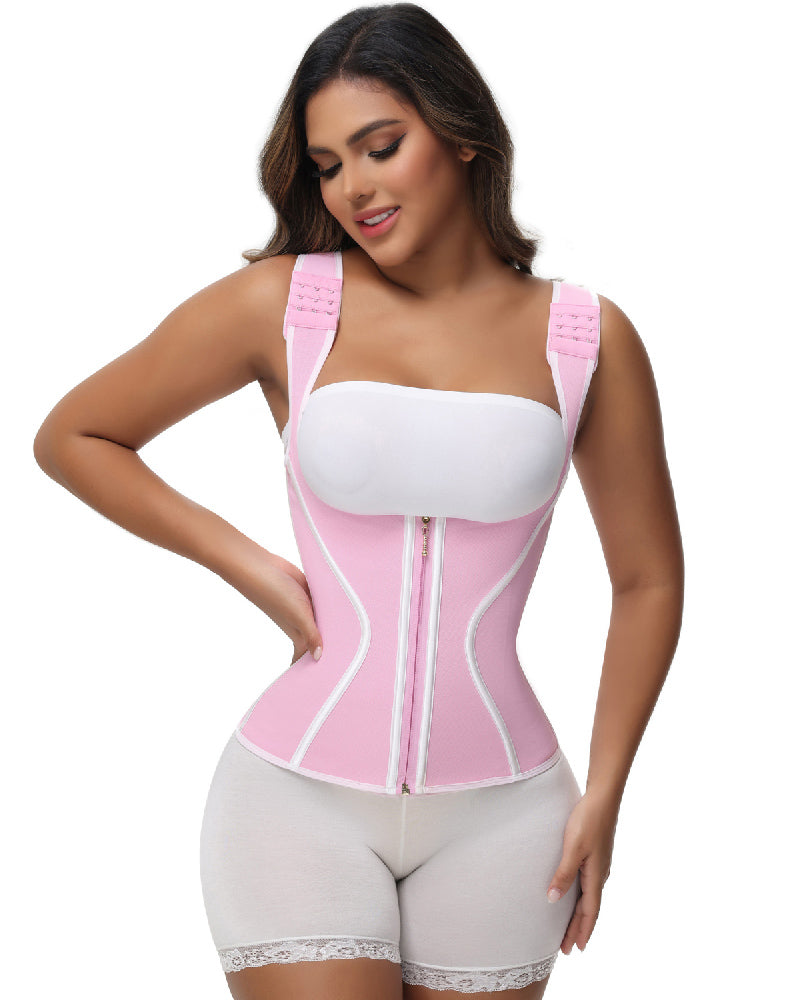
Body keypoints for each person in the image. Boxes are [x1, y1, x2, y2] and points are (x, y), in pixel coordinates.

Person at [33, 3, 684, 998]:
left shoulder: (584, 336)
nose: (354, 188)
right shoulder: (288, 305)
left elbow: (645, 580)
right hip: (296, 799)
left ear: (460, 134)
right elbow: (75, 436)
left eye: (380, 147)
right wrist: (250, 565)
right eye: (329, 165)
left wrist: (606, 792)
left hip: (510, 814)